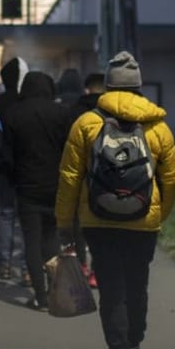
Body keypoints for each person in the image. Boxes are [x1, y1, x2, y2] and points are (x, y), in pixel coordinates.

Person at [55, 51, 175, 349]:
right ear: (139, 85)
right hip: (144, 221)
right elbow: (171, 181)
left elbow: (68, 178)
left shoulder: (87, 123)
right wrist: (158, 215)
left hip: (99, 220)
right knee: (137, 286)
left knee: (112, 290)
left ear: (107, 85)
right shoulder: (158, 127)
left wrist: (65, 222)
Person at [1, 71, 71, 310]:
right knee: (51, 238)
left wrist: (12, 180)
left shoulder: (14, 114)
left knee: (31, 240)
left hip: (26, 185)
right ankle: (54, 292)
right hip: (56, 186)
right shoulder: (61, 113)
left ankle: (40, 296)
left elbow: (6, 156)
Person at [63, 72, 107, 288]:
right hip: (105, 177)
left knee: (78, 223)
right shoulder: (112, 111)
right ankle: (97, 274)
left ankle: (81, 265)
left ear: (86, 88)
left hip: (79, 175)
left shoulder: (74, 112)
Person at [0, 57, 30, 284]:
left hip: (4, 170)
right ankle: (26, 268)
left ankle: (4, 265)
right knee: (26, 221)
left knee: (6, 216)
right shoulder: (26, 103)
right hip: (26, 170)